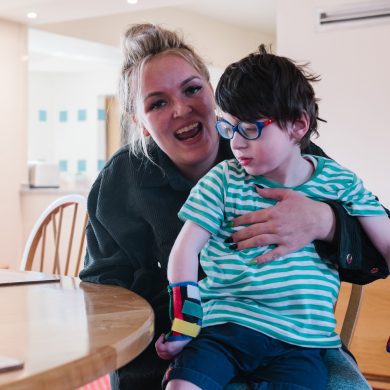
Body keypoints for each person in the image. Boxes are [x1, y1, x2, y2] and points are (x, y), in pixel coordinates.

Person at [79, 23, 388, 389]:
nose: (180, 108)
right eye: (157, 103)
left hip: (300, 340)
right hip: (179, 345)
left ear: (212, 92)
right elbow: (102, 292)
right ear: (140, 123)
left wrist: (327, 222)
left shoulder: (287, 153)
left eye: (192, 89)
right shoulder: (120, 180)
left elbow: (377, 252)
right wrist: (180, 325)